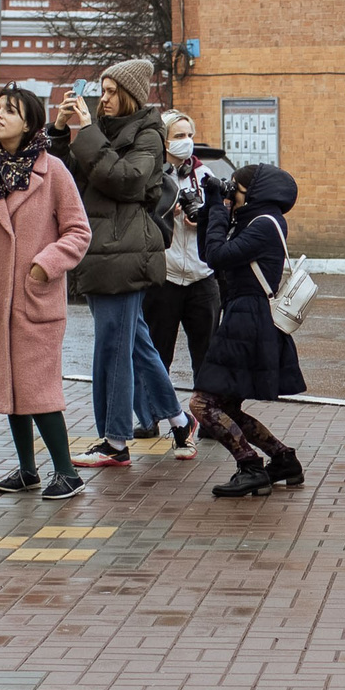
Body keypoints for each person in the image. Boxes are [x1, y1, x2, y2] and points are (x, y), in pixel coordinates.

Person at [0, 88, 92, 501]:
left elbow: (78, 231)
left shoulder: (53, 172)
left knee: (37, 387)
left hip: (35, 299)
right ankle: (28, 470)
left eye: (9, 111)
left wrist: (43, 266)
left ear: (30, 123)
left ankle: (67, 472)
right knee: (7, 387)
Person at [52, 58, 189, 468]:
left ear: (131, 95)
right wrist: (60, 131)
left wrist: (88, 133)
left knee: (112, 348)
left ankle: (114, 440)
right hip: (99, 251)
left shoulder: (149, 134)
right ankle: (181, 421)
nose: (104, 98)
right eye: (103, 90)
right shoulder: (101, 132)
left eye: (112, 92)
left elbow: (127, 180)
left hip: (126, 252)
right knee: (137, 346)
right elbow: (65, 177)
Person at [191, 164, 309, 497]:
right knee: (225, 406)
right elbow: (209, 255)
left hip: (250, 322)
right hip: (243, 319)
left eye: (236, 189)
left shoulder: (265, 225)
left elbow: (217, 255)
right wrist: (210, 211)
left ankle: (250, 466)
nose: (232, 194)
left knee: (202, 405)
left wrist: (216, 208)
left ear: (254, 192)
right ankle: (283, 459)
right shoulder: (253, 222)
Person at [145, 110, 221, 457]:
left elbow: (222, 219)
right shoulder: (152, 176)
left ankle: (209, 419)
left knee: (205, 353)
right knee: (156, 352)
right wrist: (167, 212)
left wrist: (202, 218)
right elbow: (143, 219)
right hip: (165, 276)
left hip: (202, 277)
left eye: (189, 133)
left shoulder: (205, 175)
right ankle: (150, 418)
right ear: (163, 140)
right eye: (177, 134)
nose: (185, 140)